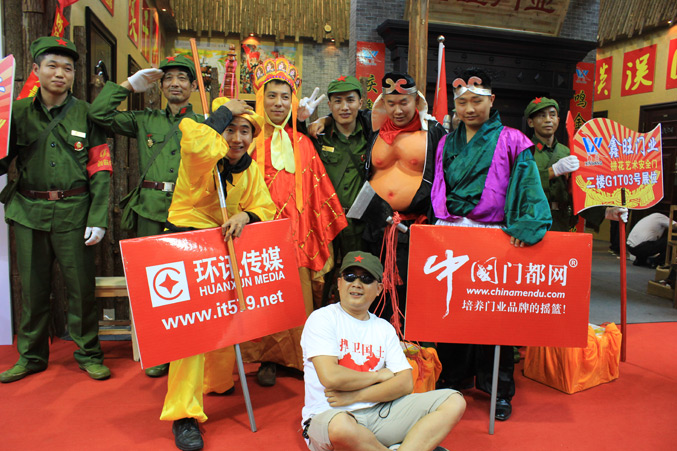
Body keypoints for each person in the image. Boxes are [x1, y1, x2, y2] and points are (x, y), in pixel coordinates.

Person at [430, 68, 552, 421]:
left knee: (493, 314)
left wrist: (526, 224)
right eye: (462, 102)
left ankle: (498, 387)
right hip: (452, 232)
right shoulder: (446, 142)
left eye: (477, 101)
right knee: (452, 310)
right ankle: (453, 377)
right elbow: (439, 184)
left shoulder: (513, 139)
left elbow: (528, 184)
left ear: (492, 100)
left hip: (493, 234)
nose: (469, 109)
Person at [159, 97, 275, 451]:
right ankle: (183, 413)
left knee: (225, 316)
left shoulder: (250, 170)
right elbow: (198, 145)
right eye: (229, 129)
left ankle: (216, 380)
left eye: (245, 131)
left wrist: (246, 216)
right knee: (190, 334)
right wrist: (224, 112)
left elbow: (265, 205)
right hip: (187, 245)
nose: (237, 138)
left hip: (222, 249)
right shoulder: (200, 154)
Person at [0, 36, 112, 383]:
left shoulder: (86, 113)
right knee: (33, 291)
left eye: (68, 68)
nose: (60, 73)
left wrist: (97, 217)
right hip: (29, 212)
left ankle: (89, 353)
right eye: (52, 65)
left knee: (81, 290)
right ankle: (31, 356)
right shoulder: (16, 113)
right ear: (36, 70)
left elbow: (100, 167)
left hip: (74, 213)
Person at [88, 54, 202, 378]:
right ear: (160, 85)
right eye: (169, 78)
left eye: (183, 78)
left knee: (190, 284)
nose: (175, 83)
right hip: (150, 208)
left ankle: (189, 349)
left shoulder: (204, 123)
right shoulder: (144, 119)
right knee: (154, 285)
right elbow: (98, 115)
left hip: (189, 210)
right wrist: (128, 86)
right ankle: (158, 350)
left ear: (194, 86)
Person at [242, 57, 347, 387]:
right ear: (260, 98)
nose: (278, 103)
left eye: (285, 97)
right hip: (259, 237)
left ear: (293, 101)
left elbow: (318, 191)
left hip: (299, 236)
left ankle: (300, 357)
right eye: (271, 96)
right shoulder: (247, 141)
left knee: (298, 299)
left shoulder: (303, 143)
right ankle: (268, 358)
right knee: (265, 298)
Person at [300, 250, 466, 451]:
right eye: (350, 276)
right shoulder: (322, 319)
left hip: (380, 413)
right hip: (330, 414)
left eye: (366, 279)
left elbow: (404, 383)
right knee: (341, 428)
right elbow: (331, 377)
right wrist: (378, 376)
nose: (357, 284)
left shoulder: (384, 328)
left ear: (379, 289)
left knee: (454, 401)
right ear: (339, 283)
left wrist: (355, 396)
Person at [361, 72, 446, 330]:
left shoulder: (433, 133)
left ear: (416, 101)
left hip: (413, 228)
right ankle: (376, 342)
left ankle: (412, 346)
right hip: (376, 227)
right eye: (391, 103)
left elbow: (445, 178)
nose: (397, 110)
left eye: (403, 102)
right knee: (375, 290)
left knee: (411, 294)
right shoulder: (375, 131)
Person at [524, 96, 607, 232]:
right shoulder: (523, 151)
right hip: (532, 219)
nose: (548, 120)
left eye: (552, 115)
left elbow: (577, 191)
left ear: (558, 120)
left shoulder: (567, 152)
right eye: (541, 116)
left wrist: (605, 213)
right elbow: (520, 185)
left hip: (561, 221)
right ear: (530, 122)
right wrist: (553, 171)